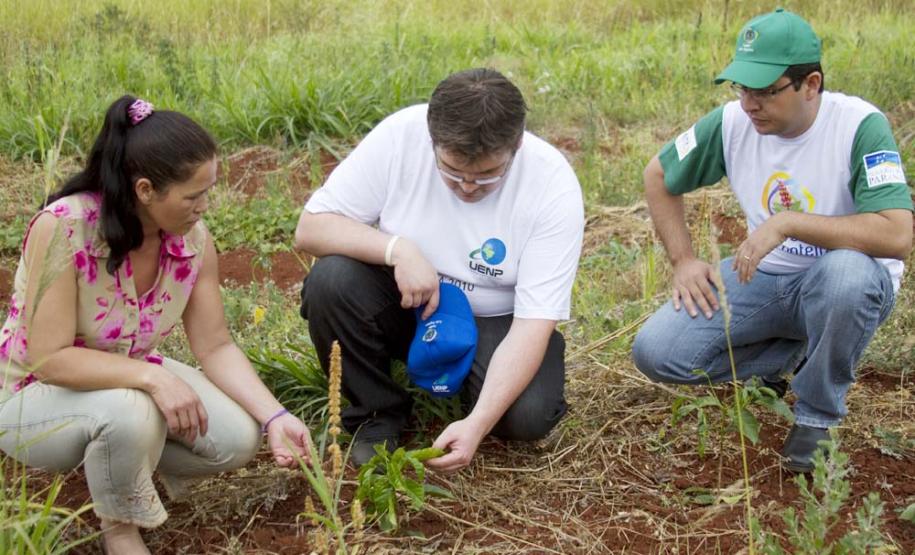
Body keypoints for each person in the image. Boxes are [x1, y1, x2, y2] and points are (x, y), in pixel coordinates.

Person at [0, 96, 312, 554]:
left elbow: (216, 345)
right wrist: (152, 376)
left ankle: (118, 463)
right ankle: (119, 528)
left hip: (123, 377)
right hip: (29, 398)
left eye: (208, 190)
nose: (204, 206)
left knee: (235, 438)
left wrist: (276, 417)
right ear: (145, 190)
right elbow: (50, 359)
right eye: (193, 195)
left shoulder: (194, 242)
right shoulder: (65, 229)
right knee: (132, 409)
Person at [631, 9, 912, 472]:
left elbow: (898, 234)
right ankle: (783, 362)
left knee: (845, 276)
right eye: (742, 89)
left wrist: (788, 223)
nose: (749, 105)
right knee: (658, 352)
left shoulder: (860, 126)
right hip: (764, 278)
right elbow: (658, 175)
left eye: (764, 91)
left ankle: (816, 414)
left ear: (811, 84)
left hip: (845, 281)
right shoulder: (731, 124)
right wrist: (683, 260)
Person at [294, 68, 584, 470]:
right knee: (332, 281)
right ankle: (375, 415)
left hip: (492, 319)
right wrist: (398, 249)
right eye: (451, 171)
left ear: (516, 145)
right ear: (432, 140)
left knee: (528, 416)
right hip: (405, 301)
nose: (467, 187)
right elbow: (311, 228)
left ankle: (466, 391)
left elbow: (533, 323)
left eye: (486, 176)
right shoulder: (400, 137)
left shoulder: (552, 185)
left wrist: (479, 423)